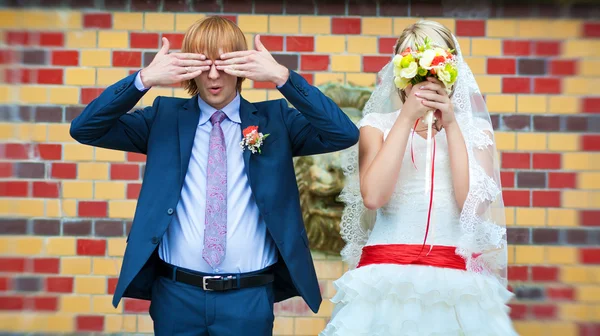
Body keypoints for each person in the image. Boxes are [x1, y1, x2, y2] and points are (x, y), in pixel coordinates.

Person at [69, 16, 359, 336]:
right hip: (177, 296)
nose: (213, 75)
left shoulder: (275, 120)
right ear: (189, 68)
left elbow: (342, 133)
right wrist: (144, 79)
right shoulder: (162, 119)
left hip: (248, 298)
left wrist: (282, 77)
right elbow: (85, 129)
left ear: (241, 66)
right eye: (203, 64)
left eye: (223, 63)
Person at [320, 20, 518, 335]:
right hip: (386, 276)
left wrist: (452, 126)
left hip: (455, 279)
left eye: (433, 68)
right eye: (413, 67)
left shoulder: (475, 132)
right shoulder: (376, 126)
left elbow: (472, 206)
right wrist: (406, 119)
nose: (424, 79)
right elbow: (373, 197)